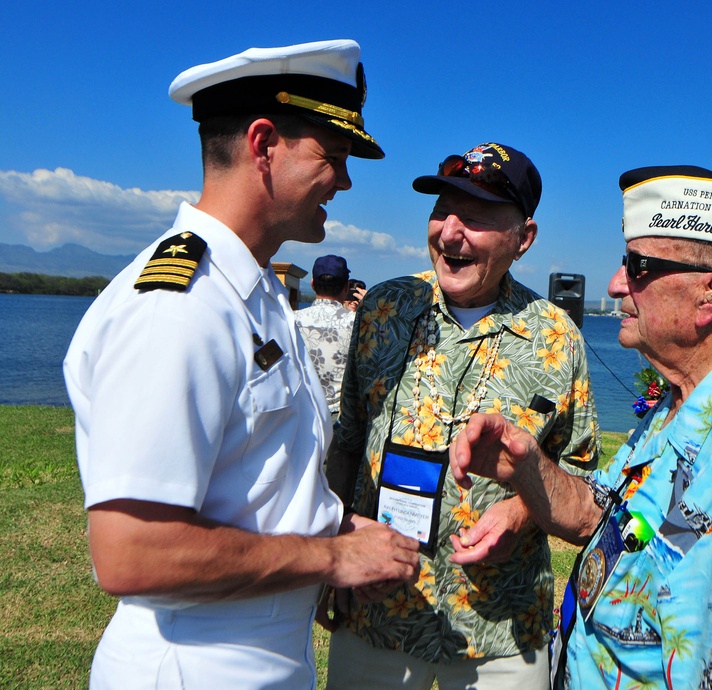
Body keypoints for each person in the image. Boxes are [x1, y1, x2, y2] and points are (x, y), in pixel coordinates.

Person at [63, 40, 420, 689]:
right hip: (197, 665)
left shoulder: (251, 293)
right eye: (332, 158)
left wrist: (334, 523)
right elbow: (133, 555)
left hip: (257, 654)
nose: (344, 181)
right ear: (263, 145)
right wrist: (332, 555)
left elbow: (251, 480)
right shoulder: (180, 307)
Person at [451, 165, 712, 689]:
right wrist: (527, 466)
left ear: (711, 297)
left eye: (638, 265)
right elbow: (601, 515)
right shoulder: (687, 401)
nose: (615, 283)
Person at [323, 142, 601, 689]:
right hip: (376, 613)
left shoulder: (555, 337)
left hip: (501, 625)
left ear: (524, 238)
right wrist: (332, 550)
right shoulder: (383, 310)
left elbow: (582, 477)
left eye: (474, 217)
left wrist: (521, 512)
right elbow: (348, 445)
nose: (450, 232)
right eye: (442, 211)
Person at [296, 254, 356, 416]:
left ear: (313, 284)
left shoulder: (292, 319)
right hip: (341, 415)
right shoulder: (355, 322)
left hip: (301, 412)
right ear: (346, 286)